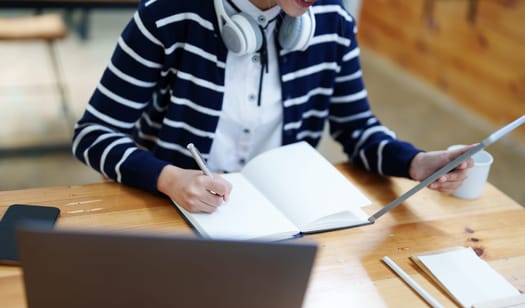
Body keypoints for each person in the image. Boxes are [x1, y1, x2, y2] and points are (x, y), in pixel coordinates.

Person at [72, 0, 473, 213]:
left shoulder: (331, 19)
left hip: (286, 215)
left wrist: (415, 162)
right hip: (172, 210)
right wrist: (170, 179)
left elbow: (357, 128)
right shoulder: (167, 14)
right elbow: (93, 134)